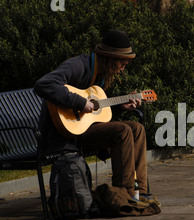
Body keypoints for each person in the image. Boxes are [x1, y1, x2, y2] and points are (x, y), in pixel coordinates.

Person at [34, 29, 159, 206]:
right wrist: (79, 102)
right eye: (121, 65)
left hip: (81, 129)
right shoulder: (79, 65)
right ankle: (126, 194)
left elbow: (93, 114)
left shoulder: (99, 75)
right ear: (110, 58)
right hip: (62, 135)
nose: (122, 69)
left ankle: (141, 192)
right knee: (122, 131)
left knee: (136, 128)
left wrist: (119, 106)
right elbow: (43, 84)